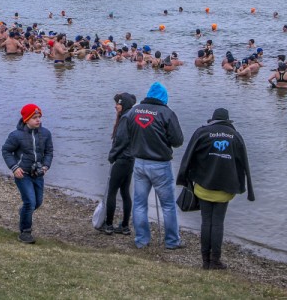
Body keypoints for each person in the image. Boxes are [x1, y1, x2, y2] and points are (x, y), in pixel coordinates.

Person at [176, 108, 255, 269]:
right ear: (228, 121)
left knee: (206, 221)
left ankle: (205, 261)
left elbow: (189, 156)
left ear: (212, 119)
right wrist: (244, 187)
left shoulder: (202, 132)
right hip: (225, 188)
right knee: (218, 223)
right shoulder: (235, 136)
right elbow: (243, 163)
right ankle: (215, 260)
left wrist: (185, 178)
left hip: (203, 185)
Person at [113, 82, 184, 249]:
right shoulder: (167, 113)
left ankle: (141, 240)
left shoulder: (133, 111)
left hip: (139, 163)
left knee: (139, 203)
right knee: (167, 205)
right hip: (160, 164)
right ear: (163, 97)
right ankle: (172, 241)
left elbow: (127, 133)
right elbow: (178, 141)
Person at [2, 104, 53, 244]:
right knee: (30, 202)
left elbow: (49, 152)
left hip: (38, 174)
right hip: (22, 174)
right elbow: (6, 151)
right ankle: (25, 232)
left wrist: (46, 166)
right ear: (26, 119)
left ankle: (24, 212)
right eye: (34, 118)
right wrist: (14, 167)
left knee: (37, 202)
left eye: (39, 117)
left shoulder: (46, 133)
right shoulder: (16, 135)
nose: (38, 120)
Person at [104, 93, 137, 235]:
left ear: (123, 104)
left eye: (118, 103)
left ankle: (109, 225)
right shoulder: (131, 115)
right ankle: (125, 226)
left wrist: (112, 155)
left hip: (122, 159)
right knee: (125, 192)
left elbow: (121, 141)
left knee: (112, 191)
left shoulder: (125, 118)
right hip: (130, 160)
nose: (115, 106)